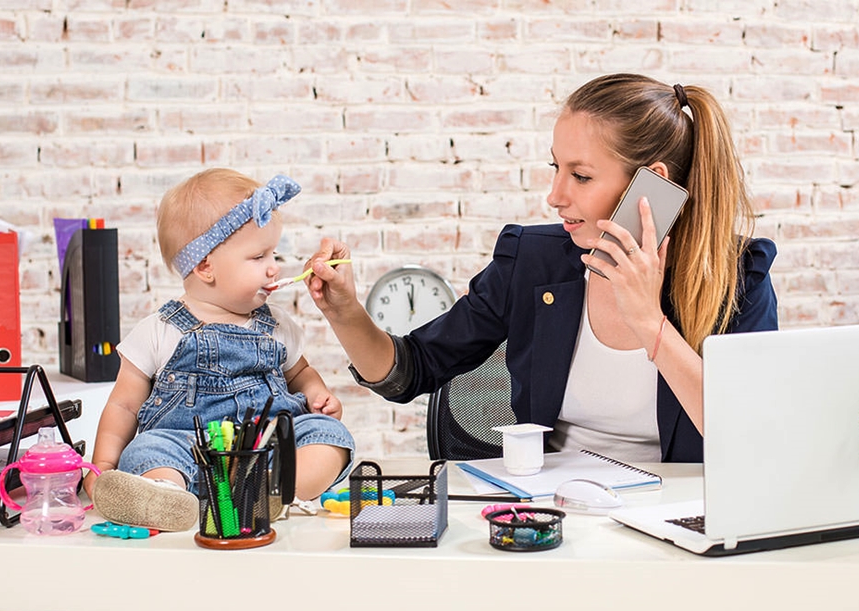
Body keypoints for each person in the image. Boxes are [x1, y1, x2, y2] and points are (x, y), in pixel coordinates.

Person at [306, 73, 777, 463]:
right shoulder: (532, 259)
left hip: (677, 518)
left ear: (649, 185)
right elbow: (412, 370)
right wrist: (344, 311)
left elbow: (749, 436)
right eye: (556, 168)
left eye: (581, 175)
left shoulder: (739, 278)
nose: (555, 195)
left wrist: (650, 323)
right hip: (554, 515)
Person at [85, 169, 355, 531]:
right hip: (189, 451)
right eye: (259, 257)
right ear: (205, 267)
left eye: (273, 254)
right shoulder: (158, 331)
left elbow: (300, 372)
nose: (274, 267)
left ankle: (273, 492)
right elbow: (124, 405)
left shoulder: (275, 324)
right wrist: (102, 465)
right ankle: (166, 494)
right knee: (147, 450)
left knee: (329, 435)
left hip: (266, 452)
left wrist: (315, 391)